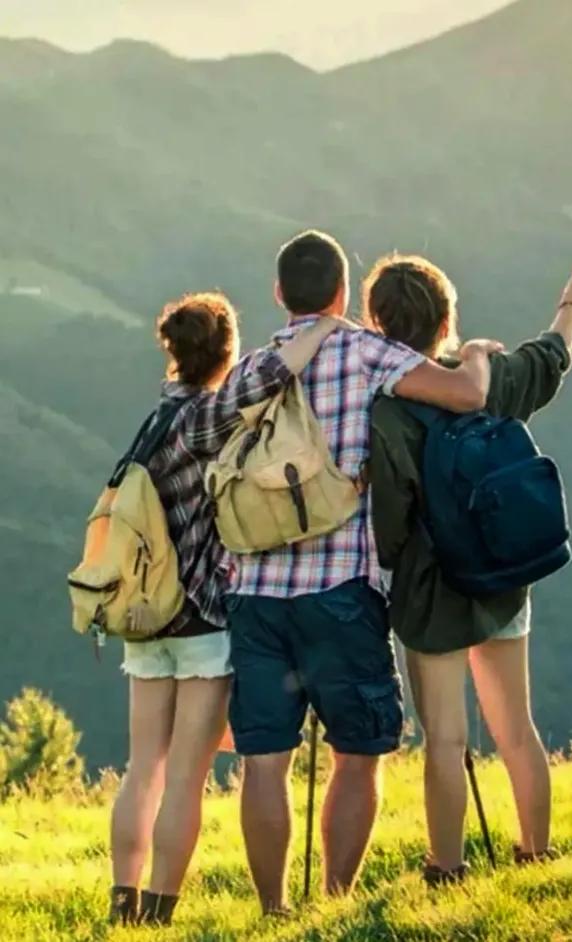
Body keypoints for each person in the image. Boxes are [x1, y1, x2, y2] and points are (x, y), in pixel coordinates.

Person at [222, 230, 496, 915]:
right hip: (341, 592)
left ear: (280, 294)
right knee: (357, 753)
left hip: (253, 595)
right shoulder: (367, 351)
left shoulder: (250, 371)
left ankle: (273, 910)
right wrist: (479, 358)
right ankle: (336, 899)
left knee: (265, 760)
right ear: (344, 294)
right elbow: (463, 396)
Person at [109, 292, 345, 926]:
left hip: (143, 616)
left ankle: (121, 902)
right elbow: (272, 377)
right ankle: (158, 912)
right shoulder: (204, 418)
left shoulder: (154, 420)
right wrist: (325, 323)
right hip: (200, 619)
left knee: (142, 770)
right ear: (224, 352)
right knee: (185, 774)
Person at [366, 255, 572, 884]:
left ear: (378, 325)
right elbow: (552, 355)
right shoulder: (487, 374)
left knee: (445, 739)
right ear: (448, 317)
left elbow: (388, 523)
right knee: (515, 725)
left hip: (430, 592)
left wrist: (389, 570)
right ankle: (536, 851)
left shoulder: (384, 410)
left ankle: (447, 867)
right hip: (501, 575)